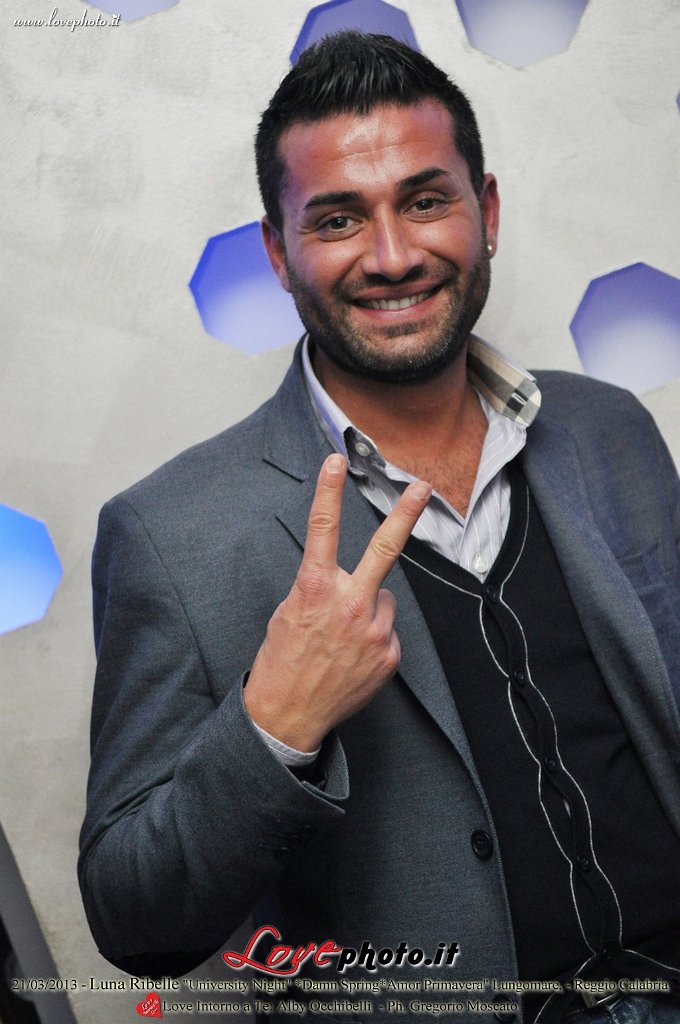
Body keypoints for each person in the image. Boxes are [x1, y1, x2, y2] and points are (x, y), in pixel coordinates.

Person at [79, 31, 680, 1024]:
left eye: (426, 200)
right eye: (338, 218)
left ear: (486, 212)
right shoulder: (171, 536)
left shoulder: (608, 428)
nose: (394, 256)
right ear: (278, 253)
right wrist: (274, 724)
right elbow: (134, 919)